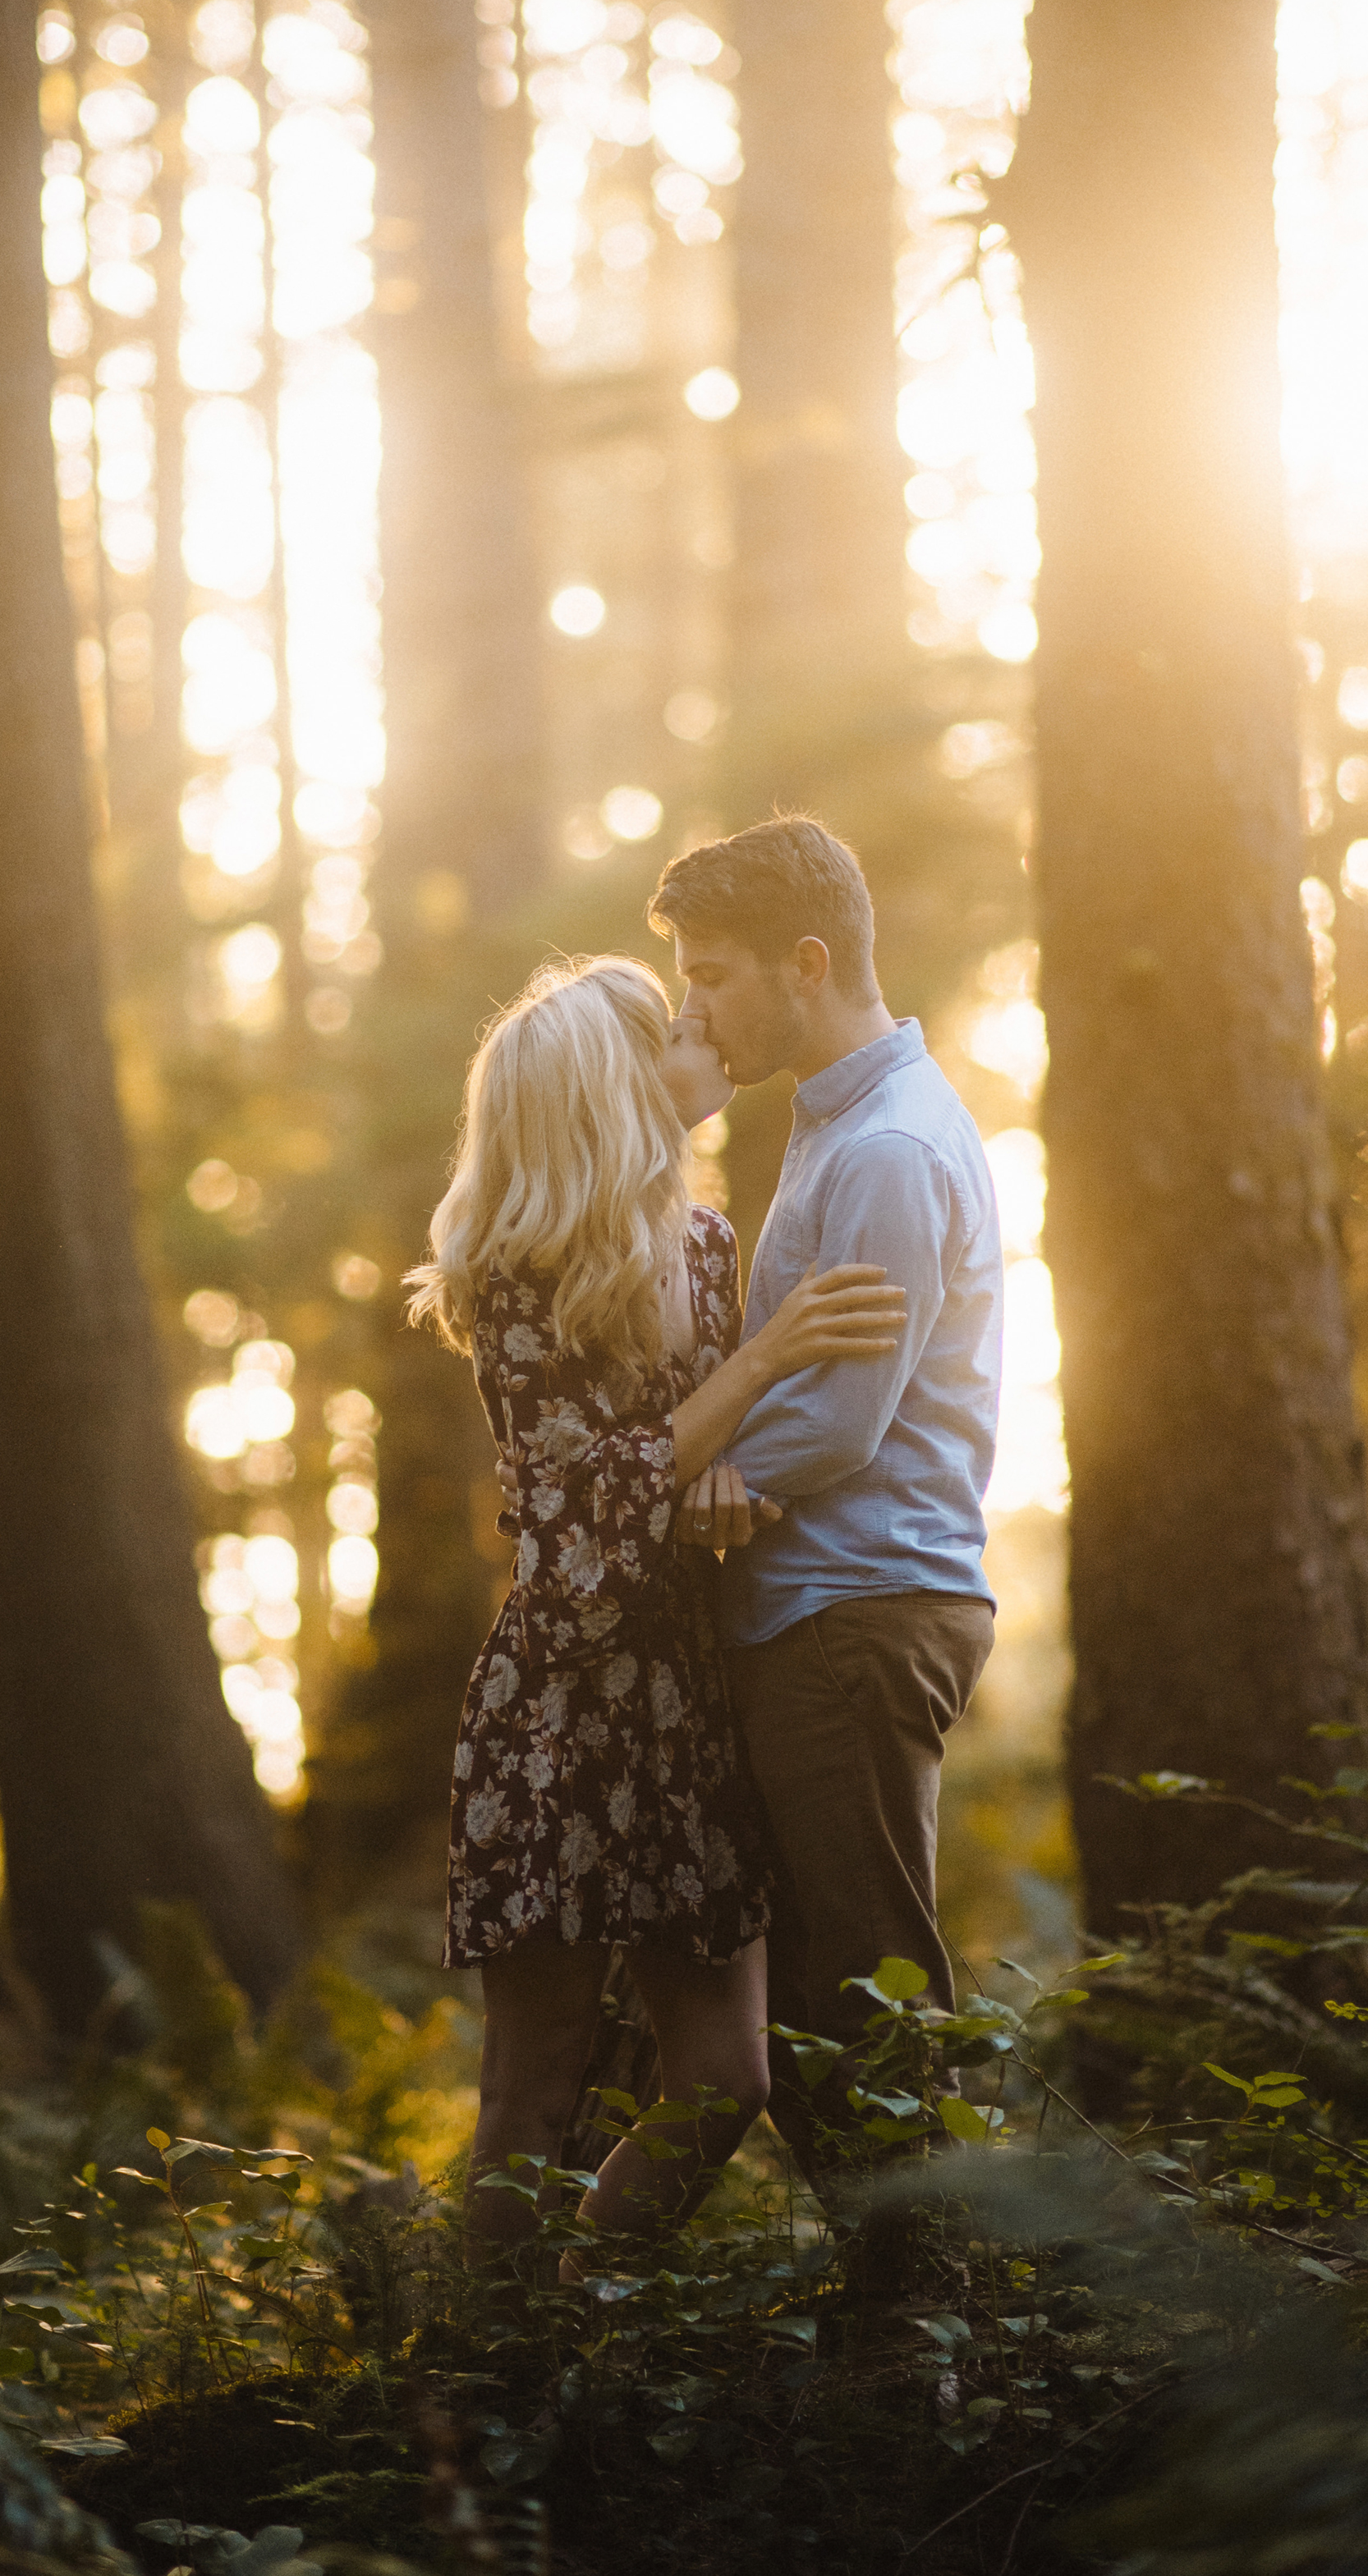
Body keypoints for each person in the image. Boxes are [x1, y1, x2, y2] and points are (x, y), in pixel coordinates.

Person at [406, 954, 906, 2253]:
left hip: (687, 1694)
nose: (712, 1040)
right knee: (533, 2087)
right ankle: (493, 2398)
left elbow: (682, 1464)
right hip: (562, 1710)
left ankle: (575, 2324)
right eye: (682, 1029)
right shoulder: (518, 1276)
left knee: (723, 2080)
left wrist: (730, 1481)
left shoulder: (707, 1240)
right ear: (621, 1087)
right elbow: (583, 1514)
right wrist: (762, 1362)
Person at [649, 817, 1005, 2184]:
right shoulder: (838, 1124)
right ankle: (894, 2315)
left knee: (867, 1994)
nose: (698, 1009)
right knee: (811, 2004)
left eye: (717, 976)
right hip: (816, 1601)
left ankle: (926, 2339)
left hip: (857, 1607)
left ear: (808, 963)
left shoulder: (890, 1150)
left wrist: (702, 1481)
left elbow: (850, 1416)